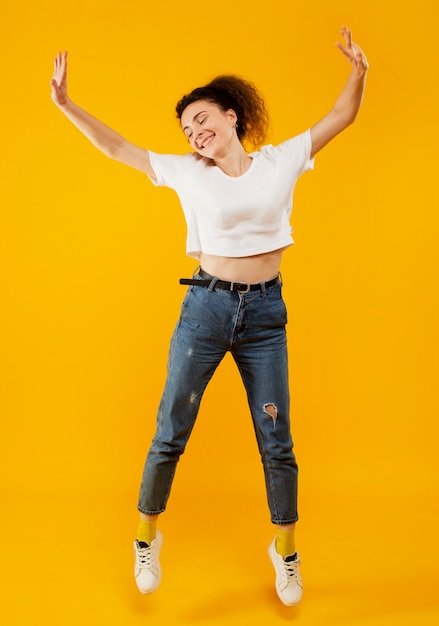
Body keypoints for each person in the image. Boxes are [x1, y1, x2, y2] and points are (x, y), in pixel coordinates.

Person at [51, 25, 368, 606]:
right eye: (186, 128)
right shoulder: (183, 172)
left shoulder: (280, 161)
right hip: (206, 309)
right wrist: (69, 105)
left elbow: (338, 118)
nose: (194, 133)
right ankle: (146, 536)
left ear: (231, 116)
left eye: (202, 119)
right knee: (171, 431)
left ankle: (286, 553)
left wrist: (359, 71)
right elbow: (119, 148)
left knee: (277, 440)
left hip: (266, 315)